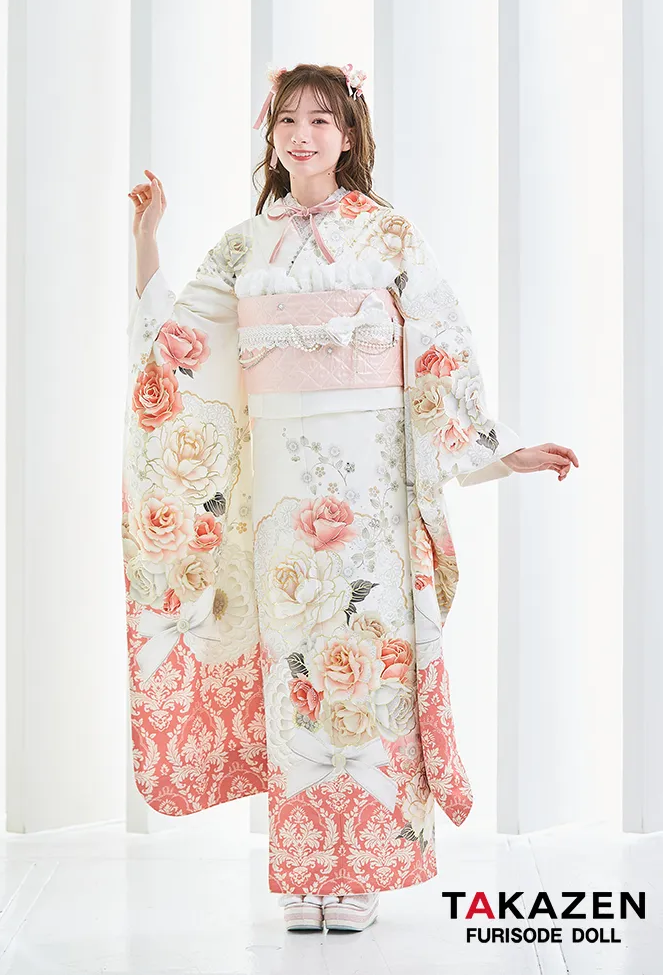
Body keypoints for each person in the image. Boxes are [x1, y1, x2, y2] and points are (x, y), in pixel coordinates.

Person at [124, 62, 578, 934]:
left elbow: (439, 349)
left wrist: (497, 450)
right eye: (288, 121)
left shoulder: (388, 233)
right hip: (281, 494)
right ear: (271, 137)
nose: (303, 136)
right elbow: (179, 347)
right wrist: (148, 238)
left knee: (365, 653)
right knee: (297, 663)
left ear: (348, 135)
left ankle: (359, 867)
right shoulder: (242, 245)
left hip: (369, 482)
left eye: (321, 121)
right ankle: (304, 870)